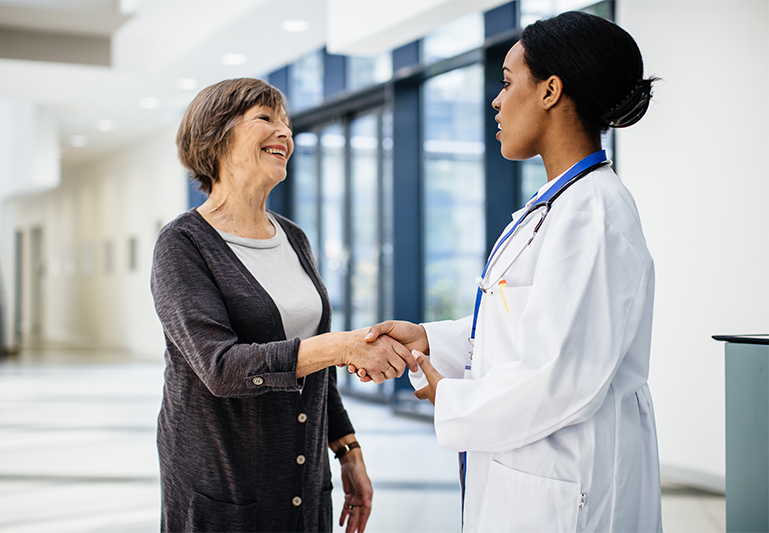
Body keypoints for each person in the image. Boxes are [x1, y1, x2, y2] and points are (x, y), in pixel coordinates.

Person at [363, 11, 661, 532]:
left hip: (566, 487)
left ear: (550, 90)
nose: (496, 101)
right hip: (530, 471)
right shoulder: (554, 207)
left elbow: (560, 376)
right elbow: (522, 325)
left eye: (506, 81)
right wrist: (431, 339)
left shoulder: (591, 213)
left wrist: (448, 396)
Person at [150, 77, 417, 533]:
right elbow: (220, 367)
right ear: (217, 135)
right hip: (226, 484)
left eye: (288, 124)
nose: (286, 133)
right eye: (266, 119)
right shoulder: (183, 244)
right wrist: (341, 347)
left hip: (304, 478)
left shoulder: (293, 237)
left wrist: (347, 448)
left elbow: (315, 363)